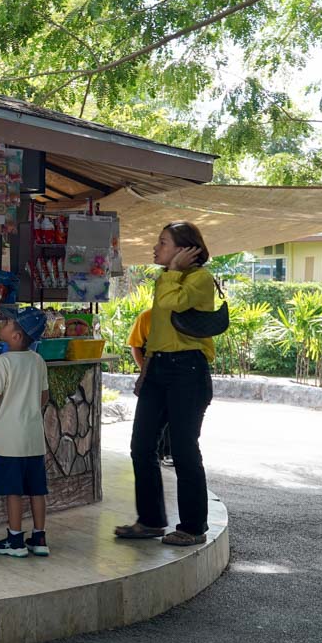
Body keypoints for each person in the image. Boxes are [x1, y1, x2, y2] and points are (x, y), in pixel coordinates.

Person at [116, 221, 217, 547]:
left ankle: (192, 527)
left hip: (188, 369)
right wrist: (145, 372)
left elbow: (174, 304)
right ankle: (151, 521)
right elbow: (157, 335)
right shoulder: (166, 279)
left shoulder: (200, 279)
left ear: (185, 249)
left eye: (163, 243)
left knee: (185, 449)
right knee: (141, 446)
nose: (155, 249)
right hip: (158, 368)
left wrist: (174, 270)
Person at [0, 307, 52, 558]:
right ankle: (39, 538)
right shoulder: (38, 361)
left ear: (16, 336)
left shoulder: (2, 362)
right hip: (33, 437)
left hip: (9, 438)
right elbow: (44, 397)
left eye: (7, 322)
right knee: (37, 489)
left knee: (13, 491)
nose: (2, 324)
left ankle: (15, 540)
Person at [127, 309, 173, 465]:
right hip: (154, 378)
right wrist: (145, 371)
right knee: (144, 443)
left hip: (182, 379)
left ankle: (168, 452)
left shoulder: (190, 313)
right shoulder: (147, 316)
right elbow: (135, 346)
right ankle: (163, 453)